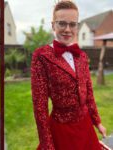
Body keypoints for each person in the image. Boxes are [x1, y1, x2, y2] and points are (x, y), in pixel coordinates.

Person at [31, 1, 106, 150]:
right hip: (62, 129)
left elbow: (89, 93)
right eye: (62, 24)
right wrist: (47, 144)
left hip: (85, 126)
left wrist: (97, 122)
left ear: (77, 26)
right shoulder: (42, 56)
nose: (67, 29)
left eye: (72, 24)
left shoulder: (82, 56)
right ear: (53, 25)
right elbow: (40, 107)